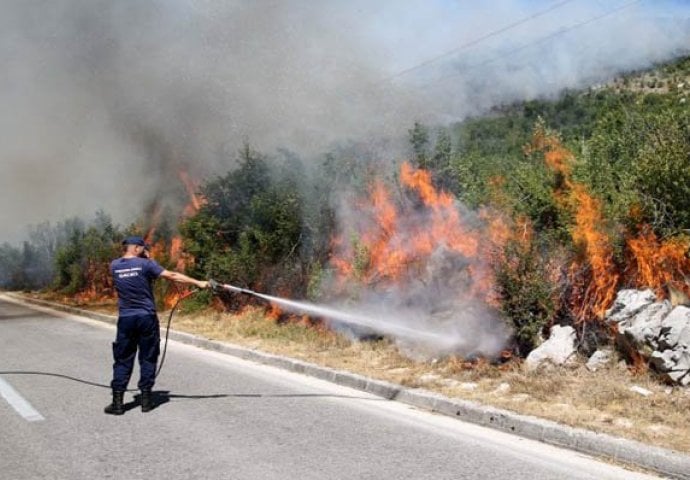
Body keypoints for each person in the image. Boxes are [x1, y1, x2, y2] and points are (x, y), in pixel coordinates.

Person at [104, 236, 208, 415]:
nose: (145, 251)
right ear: (137, 248)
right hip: (146, 318)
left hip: (126, 319)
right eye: (143, 248)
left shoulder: (114, 266)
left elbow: (132, 271)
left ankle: (117, 403)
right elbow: (172, 276)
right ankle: (146, 401)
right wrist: (199, 282)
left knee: (123, 359)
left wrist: (144, 258)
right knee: (148, 357)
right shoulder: (147, 264)